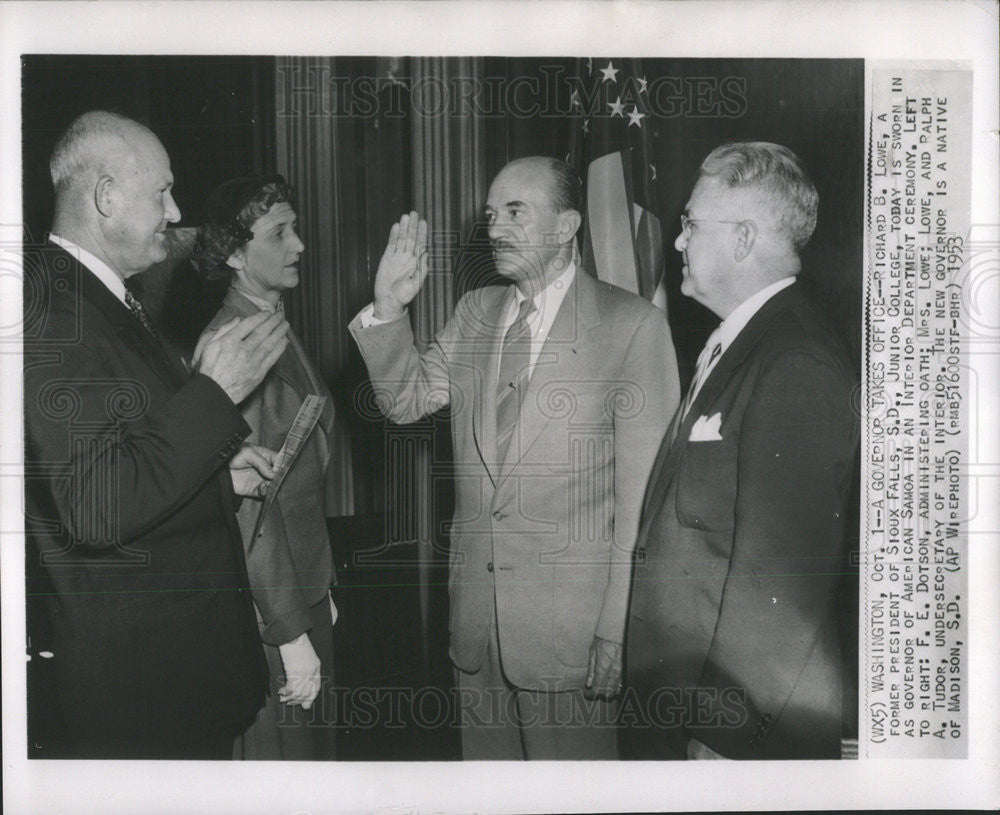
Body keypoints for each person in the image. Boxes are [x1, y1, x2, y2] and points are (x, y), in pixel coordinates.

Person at [350, 156, 680, 759]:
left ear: (566, 225)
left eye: (515, 212)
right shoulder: (476, 312)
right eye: (491, 214)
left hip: (571, 637)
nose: (495, 228)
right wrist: (389, 309)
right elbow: (402, 402)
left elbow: (645, 504)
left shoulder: (631, 327)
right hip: (475, 629)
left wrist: (616, 627)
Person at [23, 111, 290, 759]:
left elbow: (125, 459)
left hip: (171, 681)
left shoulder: (104, 297)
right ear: (107, 195)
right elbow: (95, 505)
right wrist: (213, 391)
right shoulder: (51, 310)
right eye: (162, 192)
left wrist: (217, 476)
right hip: (144, 699)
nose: (175, 212)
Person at [626, 142, 859, 760]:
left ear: (743, 238)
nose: (677, 242)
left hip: (738, 734)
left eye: (690, 225)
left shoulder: (795, 360)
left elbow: (780, 582)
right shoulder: (743, 343)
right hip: (683, 706)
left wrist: (723, 735)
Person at [191, 175, 338, 760]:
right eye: (279, 232)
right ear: (233, 252)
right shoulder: (235, 342)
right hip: (272, 612)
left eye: (295, 227)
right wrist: (290, 631)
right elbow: (249, 500)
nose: (298, 243)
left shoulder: (271, 319)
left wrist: (318, 586)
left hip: (302, 587)